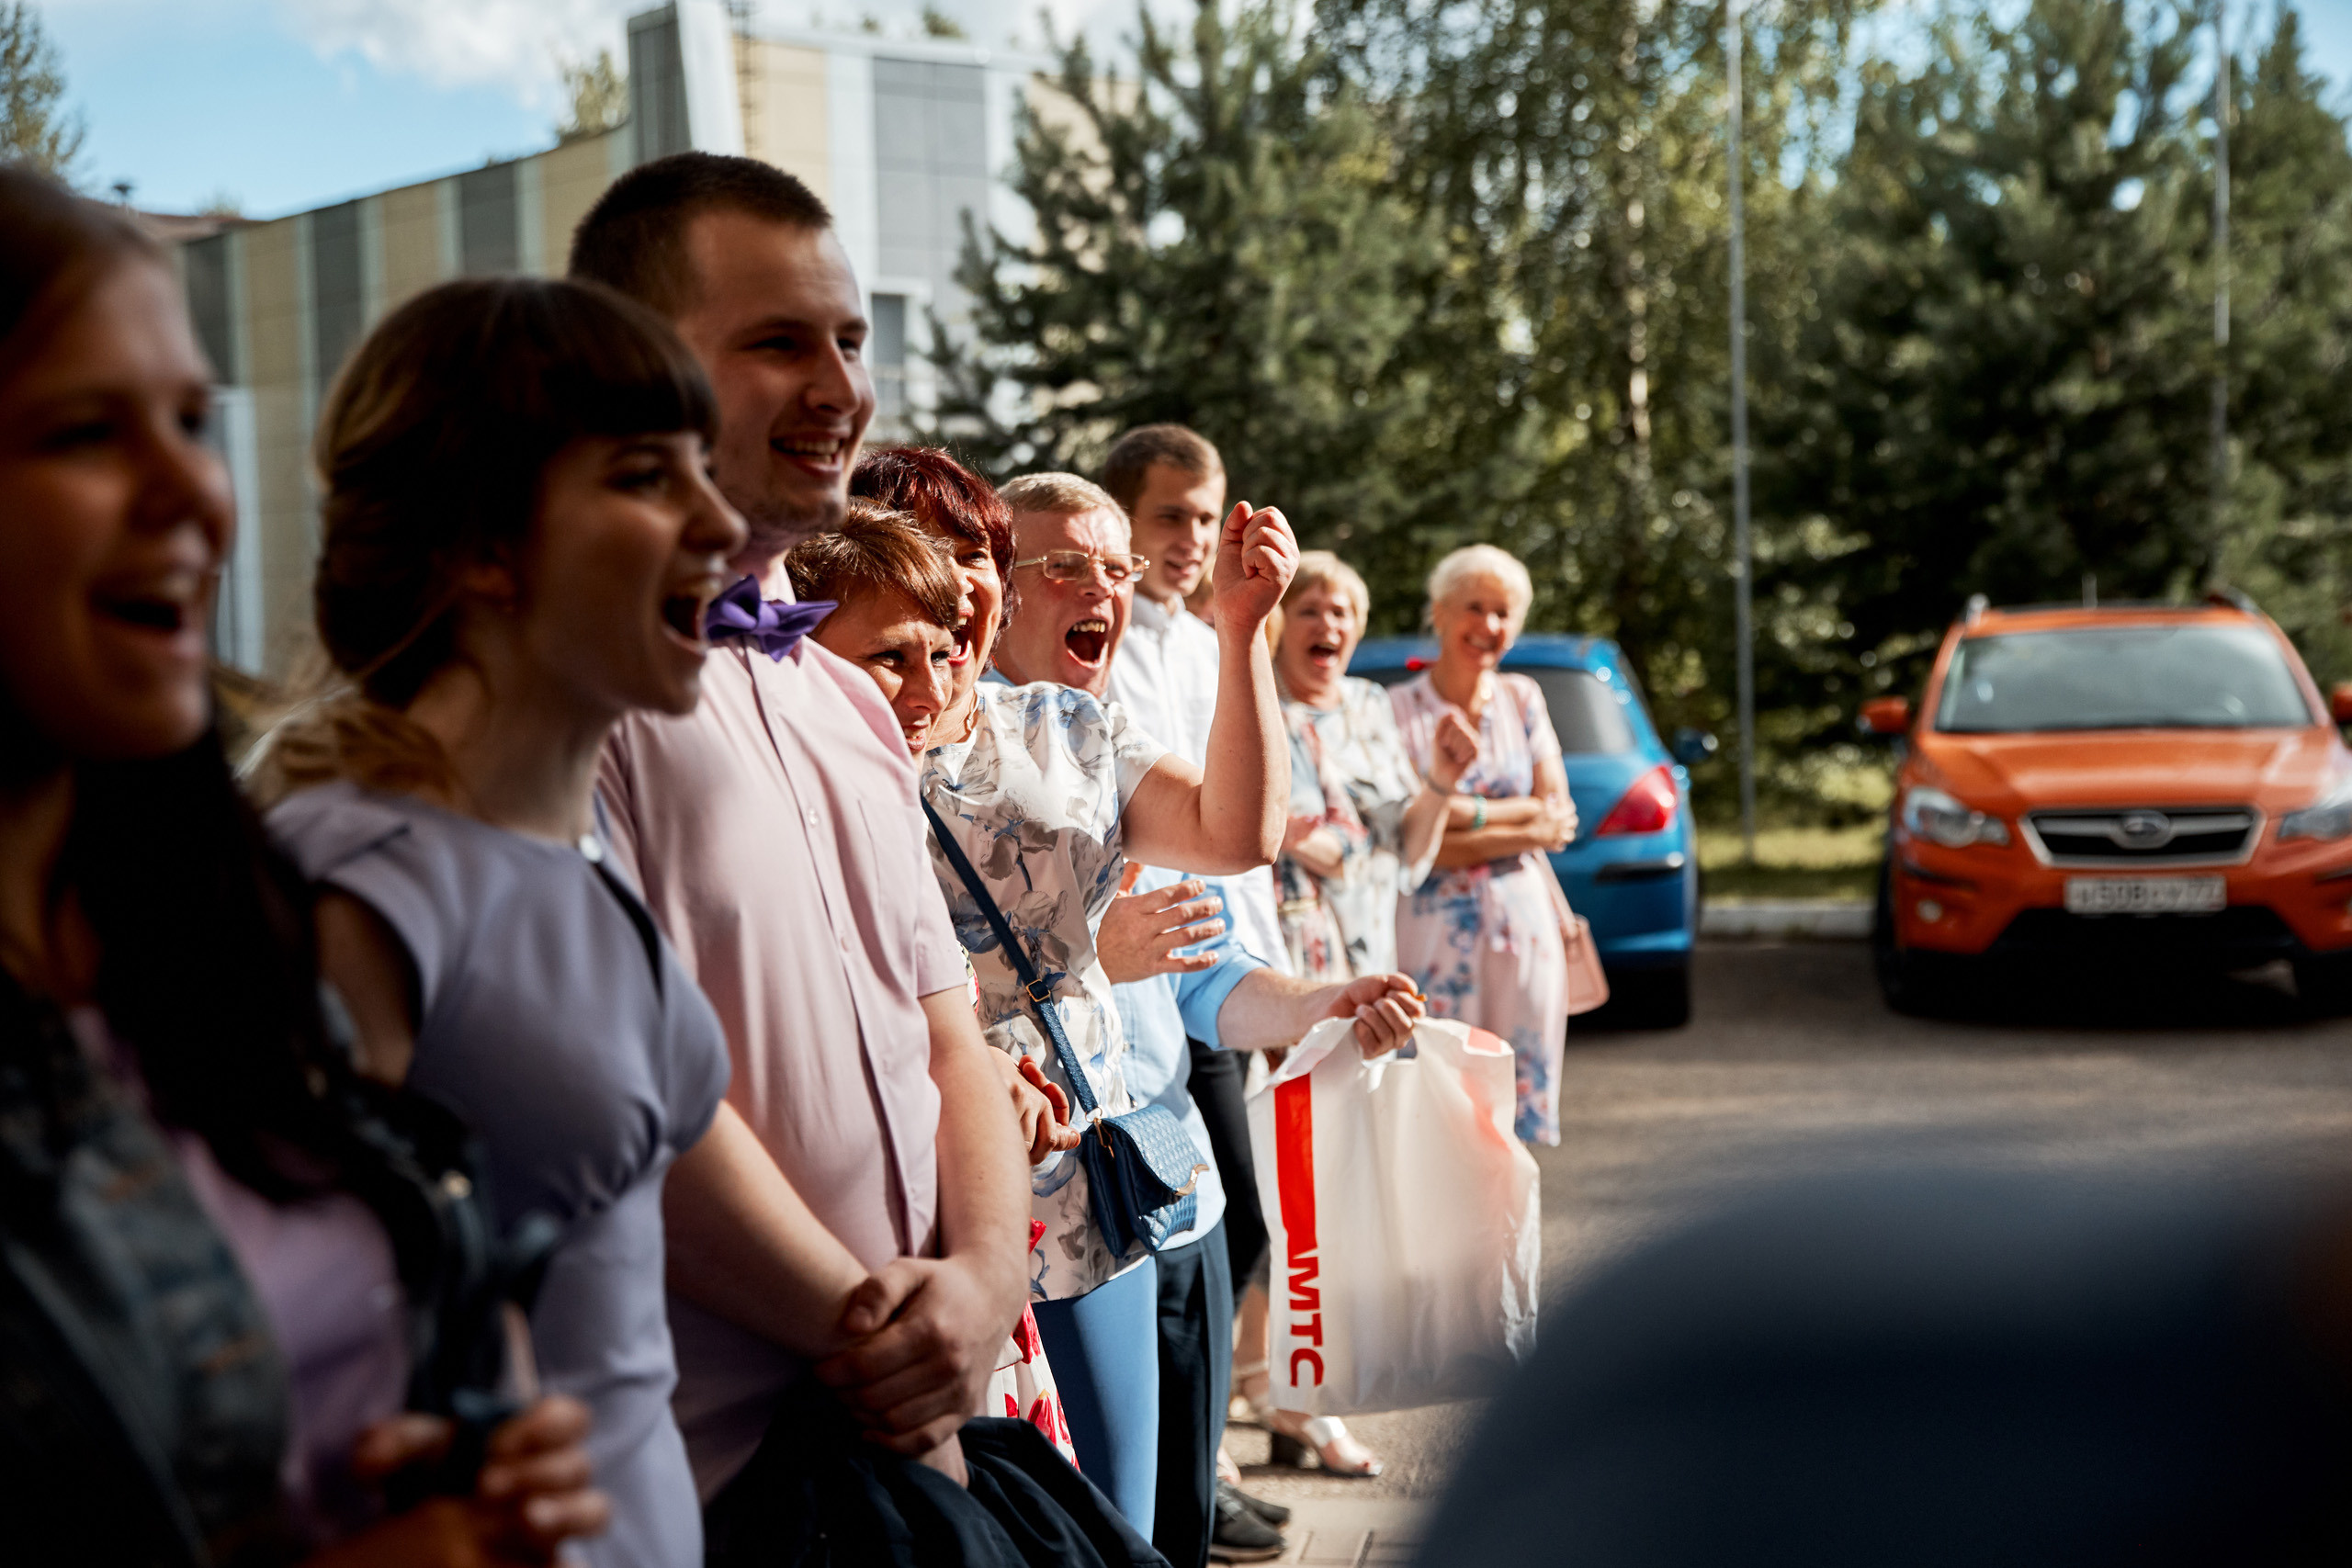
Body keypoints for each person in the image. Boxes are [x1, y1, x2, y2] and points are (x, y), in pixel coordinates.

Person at [0, 165, 604, 1566]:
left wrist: (478, 1445)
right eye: (88, 431)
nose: (191, 495)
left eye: (195, 423)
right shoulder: (361, 861)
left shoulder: (217, 906)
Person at [568, 154, 1102, 1568]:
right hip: (713, 1470)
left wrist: (986, 1281)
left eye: (850, 341)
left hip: (920, 1433)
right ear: (633, 366)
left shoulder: (845, 699)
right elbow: (629, 1096)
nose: (836, 387)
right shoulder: (575, 699)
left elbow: (946, 1036)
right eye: (776, 342)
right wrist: (876, 1330)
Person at [254, 276, 745, 1568]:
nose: (719, 518)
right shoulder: (358, 883)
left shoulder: (572, 853)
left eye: (704, 466)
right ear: (481, 544)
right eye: (648, 475)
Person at [1215, 551, 1481, 1484]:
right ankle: (1255, 1395)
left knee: (1322, 1199)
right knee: (1269, 1201)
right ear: (1284, 622)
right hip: (1273, 986)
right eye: (1313, 605)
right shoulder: (1250, 704)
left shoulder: (1368, 712)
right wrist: (1277, 825)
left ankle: (1288, 1400)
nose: (1329, 622)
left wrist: (1442, 784)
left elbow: (1406, 859)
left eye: (1347, 609)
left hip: (1361, 984)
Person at [1389, 545, 1578, 1145]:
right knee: (1439, 1112)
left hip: (1523, 938)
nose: (1490, 626)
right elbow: (1419, 846)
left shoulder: (1523, 698)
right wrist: (1516, 819)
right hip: (1429, 941)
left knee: (1513, 1116)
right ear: (1440, 613)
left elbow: (1558, 817)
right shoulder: (1397, 711)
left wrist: (1458, 812)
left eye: (1504, 612)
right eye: (1476, 607)